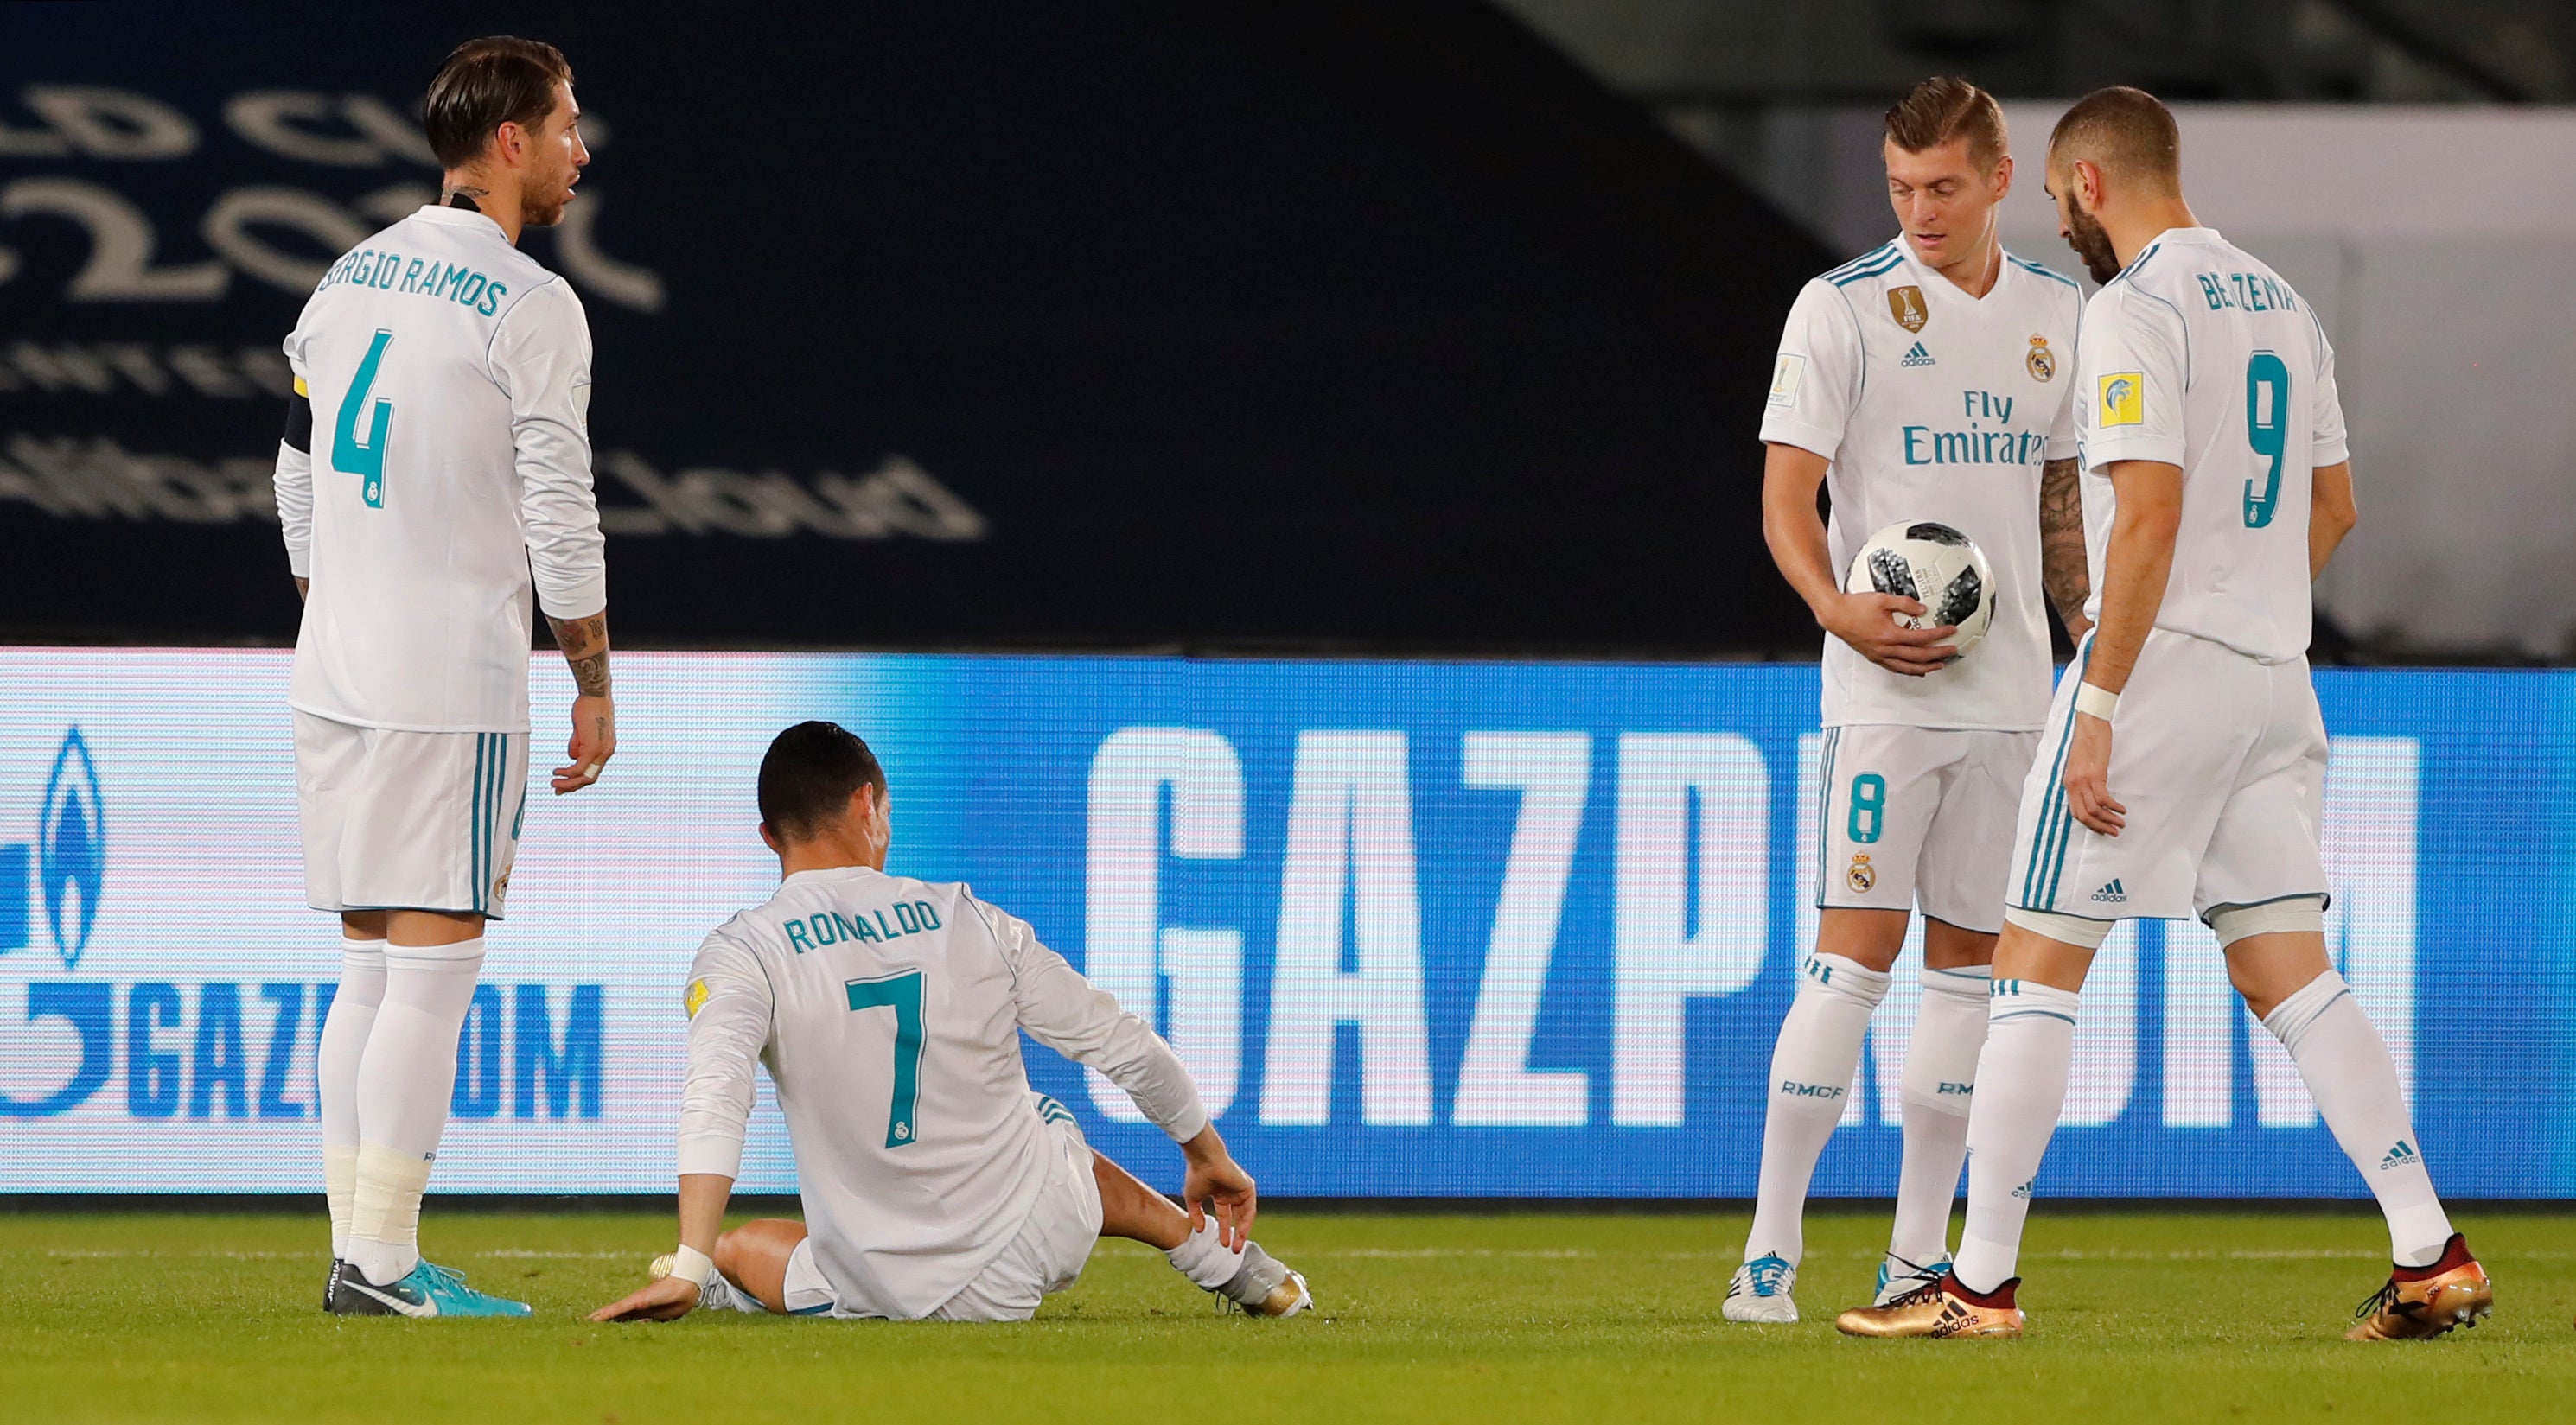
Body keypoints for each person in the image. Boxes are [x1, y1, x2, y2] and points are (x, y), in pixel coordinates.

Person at [1837, 86, 2489, 1342]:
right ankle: (2429, 1249)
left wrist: (2103, 699)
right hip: (2274, 673)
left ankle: (1976, 1286)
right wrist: (2246, 609)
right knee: (2287, 966)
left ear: (2088, 183)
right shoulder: (2285, 304)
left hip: (2159, 671)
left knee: (2031, 959)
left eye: (2057, 200)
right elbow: (2336, 506)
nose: (2061, 224)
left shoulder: (2132, 307)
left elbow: (2146, 512)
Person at [1728, 76, 2087, 1325]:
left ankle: (1916, 1255)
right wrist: (1836, 608)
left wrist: (2092, 651)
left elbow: (2061, 507)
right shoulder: (1839, 308)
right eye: (1899, 188)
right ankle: (1769, 1252)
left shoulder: (2060, 314)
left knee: (1969, 974)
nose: (1919, 211)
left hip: (2012, 699)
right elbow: (1786, 495)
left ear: (1998, 179)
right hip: (1882, 698)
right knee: (1850, 961)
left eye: (1942, 187)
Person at [589, 722, 1311, 1325]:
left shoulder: (743, 949)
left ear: (768, 835)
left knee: (735, 1248)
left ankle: (711, 1280)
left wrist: (690, 1260)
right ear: (868, 803)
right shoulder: (969, 917)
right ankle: (1219, 1258)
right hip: (1033, 1235)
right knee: (1042, 1121)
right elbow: (1121, 1041)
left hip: (885, 1283)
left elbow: (717, 1092)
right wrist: (1205, 1152)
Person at [276, 35, 614, 1317]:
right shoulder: (531, 303)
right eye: (568, 126)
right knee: (433, 969)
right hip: (447, 683)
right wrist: (592, 677)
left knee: (369, 962)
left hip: (335, 671)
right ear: (510, 142)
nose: (582, 151)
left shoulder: (345, 275)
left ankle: (357, 1251)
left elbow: (295, 469)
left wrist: (334, 602)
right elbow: (561, 506)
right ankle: (381, 1263)